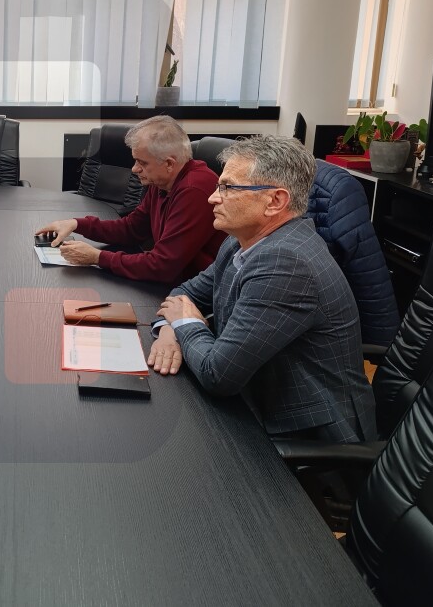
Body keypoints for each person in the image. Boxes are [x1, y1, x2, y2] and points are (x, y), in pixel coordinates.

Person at [148, 136, 376, 443]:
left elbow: (218, 375)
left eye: (228, 188)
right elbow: (184, 294)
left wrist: (186, 323)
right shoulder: (240, 242)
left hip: (307, 435)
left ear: (275, 201)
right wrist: (169, 331)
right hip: (255, 400)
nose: (212, 198)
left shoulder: (286, 263)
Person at [35, 116, 224, 285]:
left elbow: (163, 266)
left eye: (142, 163)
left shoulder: (194, 189)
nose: (134, 169)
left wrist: (97, 257)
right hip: (176, 282)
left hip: (198, 294)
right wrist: (76, 224)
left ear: (169, 163)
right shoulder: (162, 181)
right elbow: (131, 229)